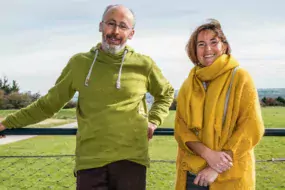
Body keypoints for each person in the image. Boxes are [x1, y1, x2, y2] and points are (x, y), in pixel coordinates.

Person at [0, 4, 174, 190]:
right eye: (111, 23)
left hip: (131, 159)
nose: (115, 31)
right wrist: (8, 122)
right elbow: (48, 104)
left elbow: (166, 93)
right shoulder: (79, 63)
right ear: (101, 26)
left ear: (131, 33)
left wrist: (154, 120)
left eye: (123, 26)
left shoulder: (144, 64)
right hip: (90, 161)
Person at [174, 19, 264, 190]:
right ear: (194, 50)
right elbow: (181, 128)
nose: (207, 49)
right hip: (192, 175)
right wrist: (207, 154)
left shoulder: (240, 77)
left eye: (213, 42)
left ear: (224, 45)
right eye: (201, 44)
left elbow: (251, 127)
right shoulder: (188, 84)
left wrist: (216, 166)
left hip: (230, 175)